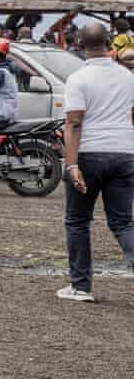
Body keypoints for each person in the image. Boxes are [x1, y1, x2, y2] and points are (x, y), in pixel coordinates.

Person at [58, 23, 134, 302]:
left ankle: (81, 287)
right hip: (125, 154)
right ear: (110, 42)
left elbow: (74, 123)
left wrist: (72, 164)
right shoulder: (128, 77)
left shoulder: (78, 78)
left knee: (77, 221)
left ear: (79, 43)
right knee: (123, 223)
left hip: (89, 155)